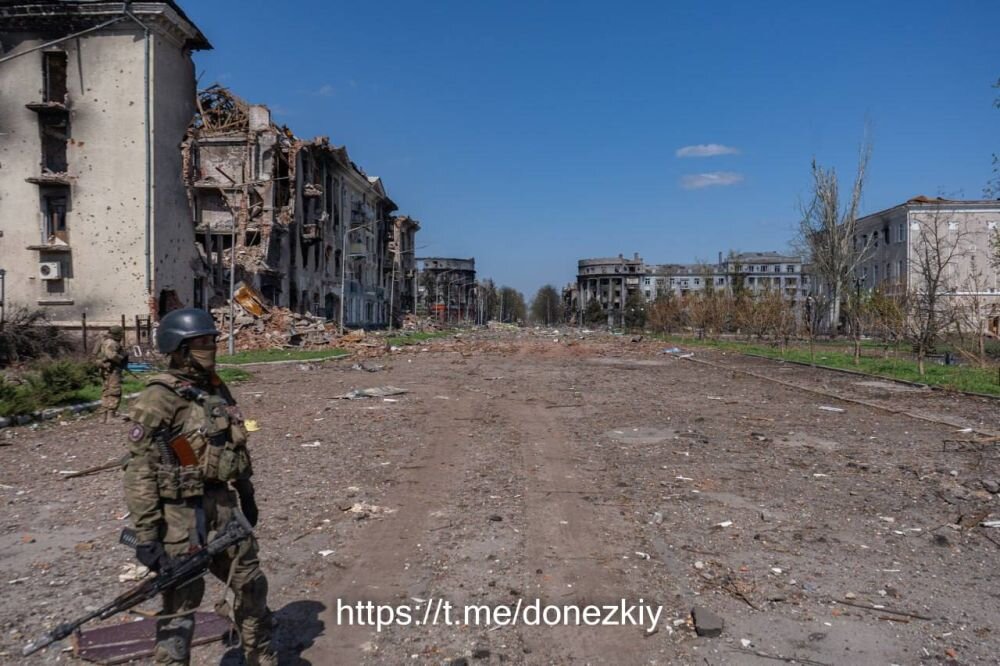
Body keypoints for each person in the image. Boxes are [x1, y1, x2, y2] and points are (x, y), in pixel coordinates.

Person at [123, 308, 276, 665]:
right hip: (179, 514)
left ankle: (262, 656)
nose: (210, 348)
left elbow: (233, 442)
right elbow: (139, 471)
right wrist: (146, 535)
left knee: (251, 584)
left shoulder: (215, 387)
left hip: (223, 503)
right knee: (180, 605)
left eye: (212, 341)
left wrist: (247, 492)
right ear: (178, 348)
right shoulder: (158, 397)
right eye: (201, 343)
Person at [96, 325, 128, 423]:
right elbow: (112, 355)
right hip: (112, 370)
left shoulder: (104, 341)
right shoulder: (111, 343)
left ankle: (103, 416)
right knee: (115, 391)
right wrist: (122, 356)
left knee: (106, 391)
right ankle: (111, 417)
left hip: (106, 370)